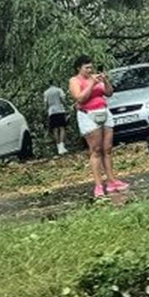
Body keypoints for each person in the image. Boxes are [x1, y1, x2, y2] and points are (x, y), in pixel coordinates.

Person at [69, 55, 127, 198]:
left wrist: (105, 80)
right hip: (88, 114)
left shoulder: (95, 77)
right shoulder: (75, 81)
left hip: (104, 112)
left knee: (107, 149)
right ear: (79, 68)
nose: (90, 70)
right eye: (86, 67)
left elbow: (109, 93)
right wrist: (91, 84)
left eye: (91, 67)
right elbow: (80, 98)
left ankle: (112, 181)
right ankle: (98, 184)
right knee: (96, 150)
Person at [43, 81, 69, 155]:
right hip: (60, 110)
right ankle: (62, 146)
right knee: (62, 128)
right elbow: (63, 99)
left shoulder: (46, 92)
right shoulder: (59, 90)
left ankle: (58, 147)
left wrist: (47, 111)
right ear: (55, 83)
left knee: (55, 129)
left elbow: (45, 104)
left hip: (52, 112)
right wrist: (66, 106)